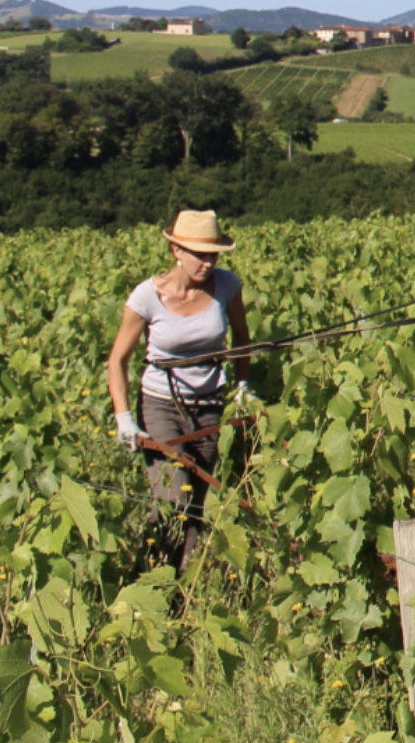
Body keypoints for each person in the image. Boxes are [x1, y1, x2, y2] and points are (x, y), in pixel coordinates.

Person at [107, 209, 250, 573]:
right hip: (161, 405)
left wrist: (242, 384)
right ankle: (151, 578)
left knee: (197, 505)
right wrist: (124, 417)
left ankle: (183, 590)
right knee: (173, 496)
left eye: (213, 254)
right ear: (176, 252)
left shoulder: (227, 286)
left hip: (209, 404)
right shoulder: (146, 297)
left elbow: (242, 339)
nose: (208, 262)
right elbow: (117, 361)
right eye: (199, 254)